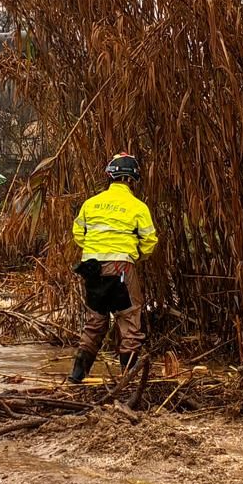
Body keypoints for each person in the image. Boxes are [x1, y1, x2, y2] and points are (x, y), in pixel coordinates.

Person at [69, 154, 157, 382]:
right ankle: (128, 379)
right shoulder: (138, 207)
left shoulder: (91, 203)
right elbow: (150, 241)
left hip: (92, 269)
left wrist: (95, 250)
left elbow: (78, 233)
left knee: (95, 321)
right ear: (132, 179)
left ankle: (76, 378)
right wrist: (134, 256)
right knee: (128, 321)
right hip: (121, 268)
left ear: (110, 176)